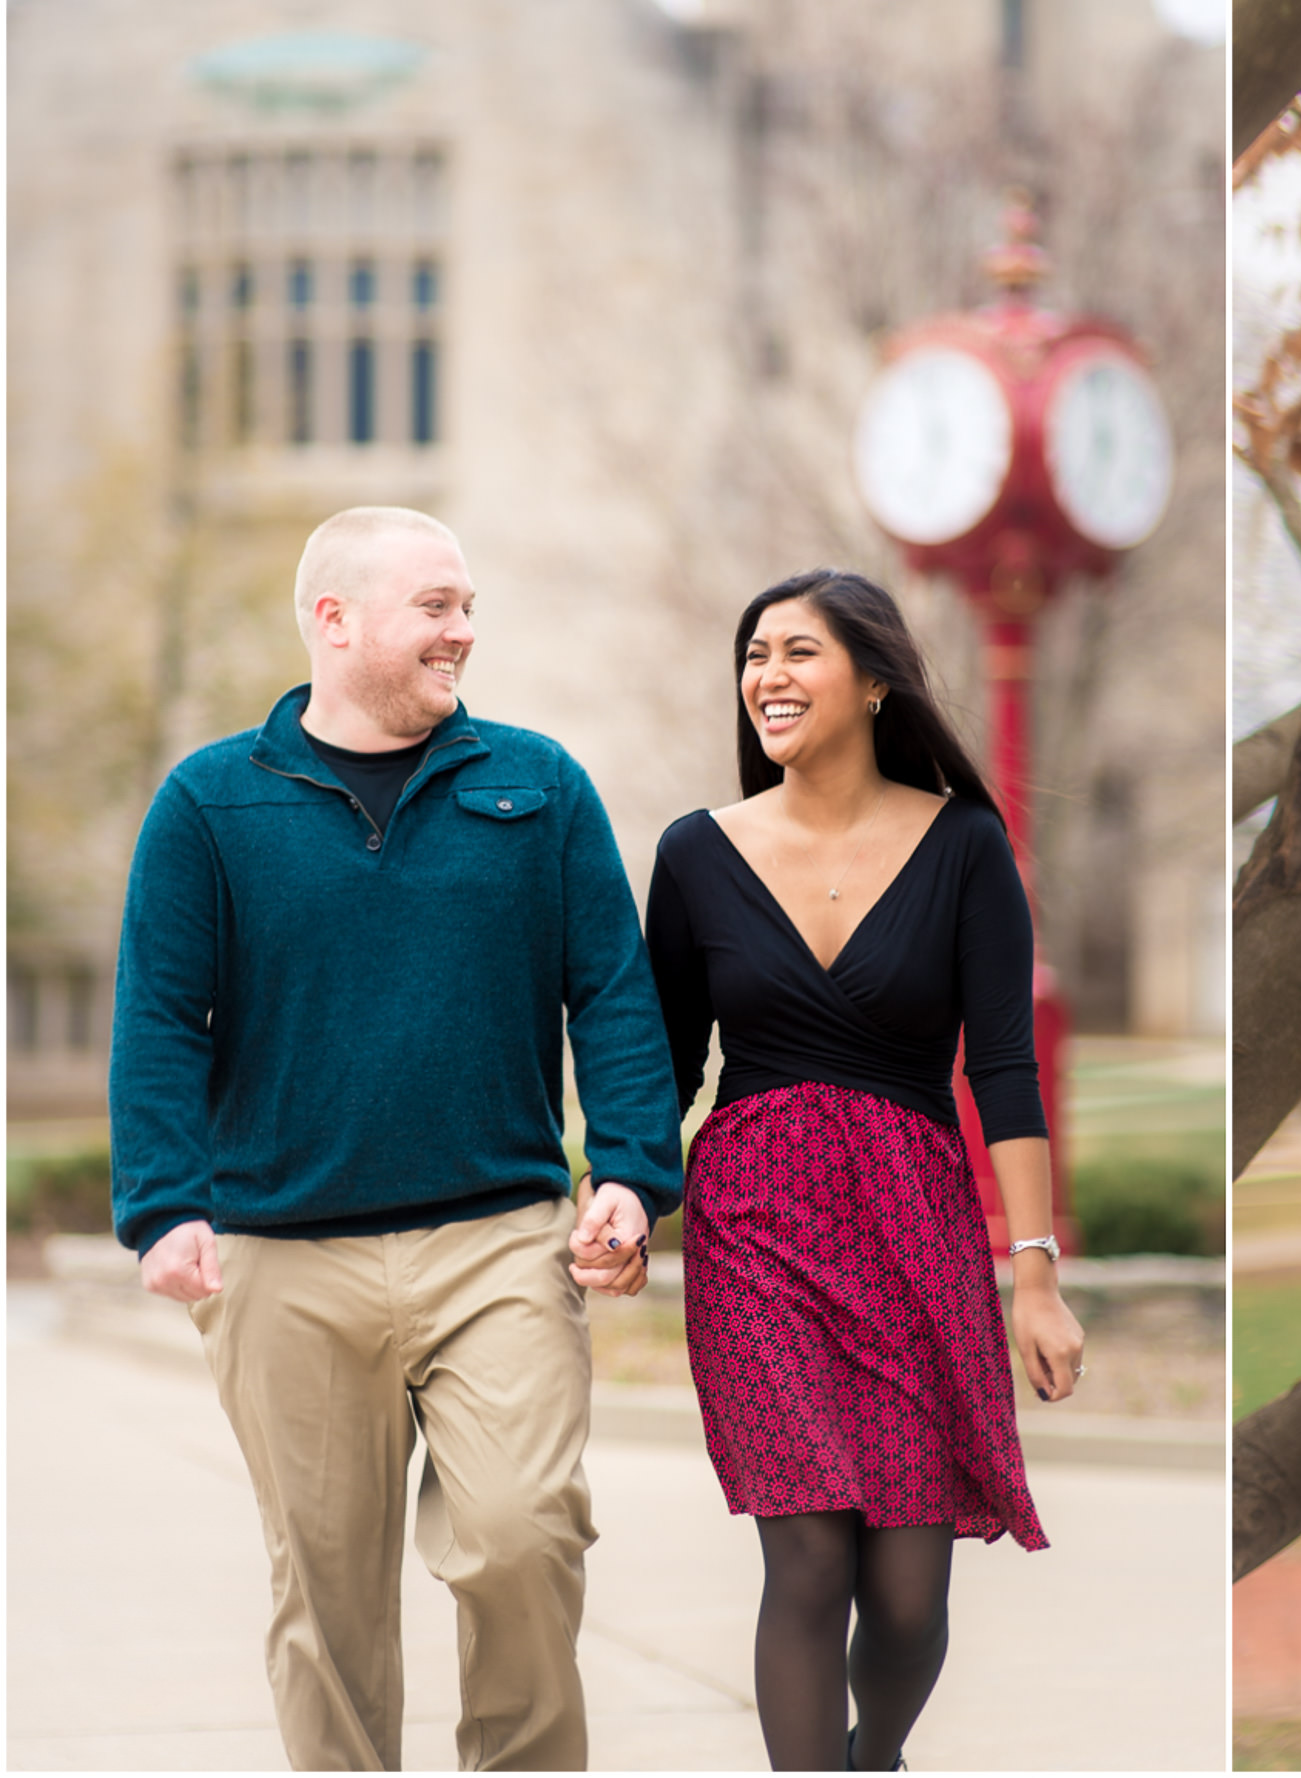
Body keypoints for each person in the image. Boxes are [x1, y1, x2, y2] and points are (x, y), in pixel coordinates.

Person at [111, 505, 684, 1771]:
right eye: (436, 605)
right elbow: (160, 1014)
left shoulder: (536, 786)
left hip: (499, 1239)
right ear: (336, 618)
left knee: (524, 1534)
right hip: (281, 1256)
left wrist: (634, 1177)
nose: (464, 630)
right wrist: (165, 1204)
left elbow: (614, 993)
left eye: (467, 605)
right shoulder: (210, 802)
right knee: (327, 1602)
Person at [641, 568, 1086, 1772]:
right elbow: (666, 1065)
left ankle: (869, 1756)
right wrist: (628, 1194)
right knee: (811, 1556)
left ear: (876, 677)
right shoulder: (696, 855)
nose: (765, 677)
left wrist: (1033, 1273)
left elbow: (1002, 1067)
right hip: (755, 1225)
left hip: (913, 1227)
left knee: (907, 1594)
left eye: (796, 652)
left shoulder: (964, 846)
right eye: (752, 656)